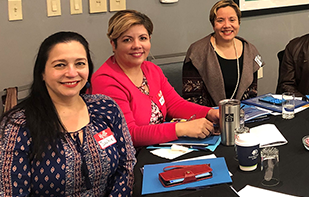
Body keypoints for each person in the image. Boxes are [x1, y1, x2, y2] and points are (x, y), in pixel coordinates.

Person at [0, 31, 135, 197]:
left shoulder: (105, 107)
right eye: (60, 65)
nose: (72, 73)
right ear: (42, 73)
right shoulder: (18, 125)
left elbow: (126, 164)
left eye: (80, 63)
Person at [92, 10, 219, 147]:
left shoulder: (151, 69)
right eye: (127, 40)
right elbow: (128, 134)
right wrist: (181, 128)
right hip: (133, 157)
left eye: (143, 38)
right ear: (113, 44)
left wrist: (210, 113)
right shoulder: (105, 81)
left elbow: (174, 105)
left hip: (160, 148)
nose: (137, 45)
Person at [182, 0, 263, 107]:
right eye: (220, 20)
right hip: (207, 118)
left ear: (239, 22)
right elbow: (192, 99)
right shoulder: (197, 51)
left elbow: (252, 94)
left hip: (243, 115)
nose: (227, 25)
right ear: (213, 25)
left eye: (232, 20)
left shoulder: (250, 50)